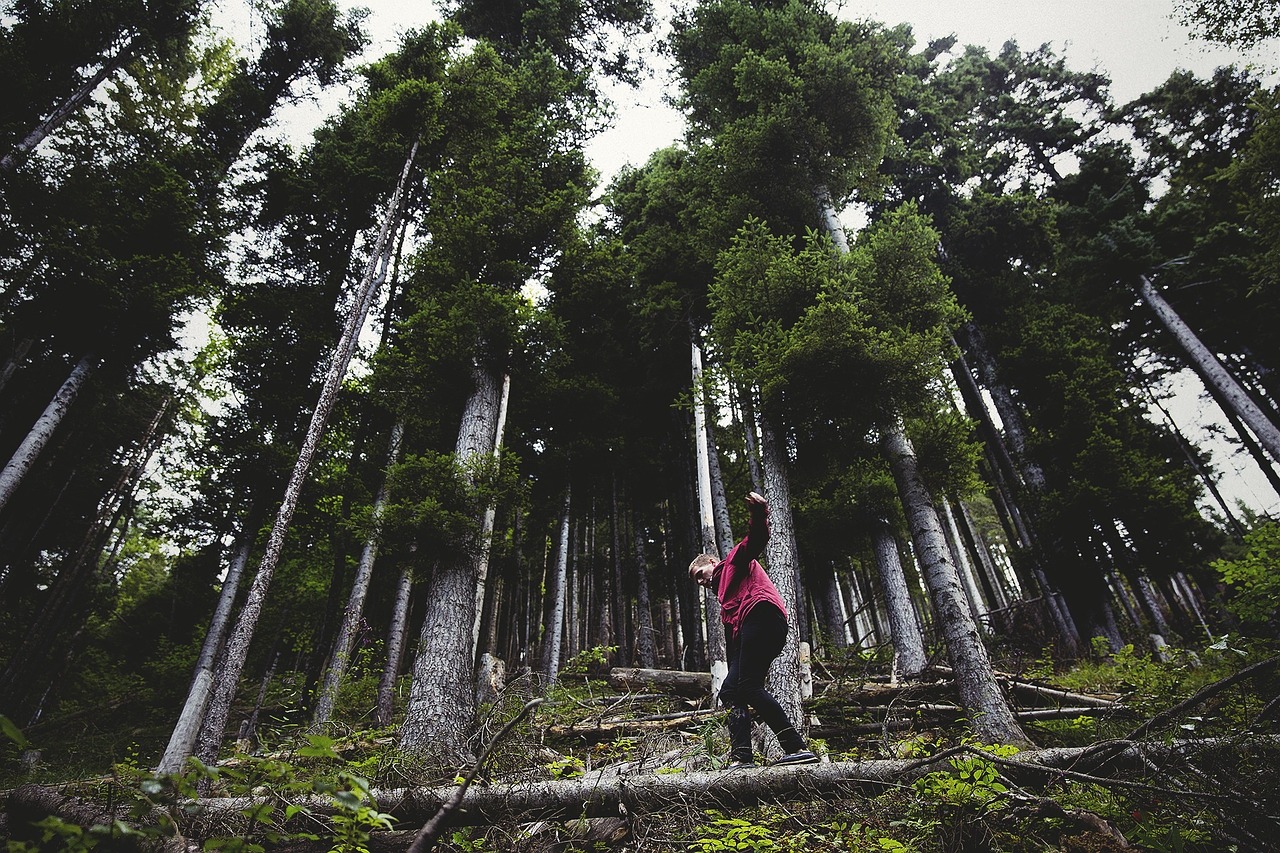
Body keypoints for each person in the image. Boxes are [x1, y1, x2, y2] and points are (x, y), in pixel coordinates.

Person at [689, 491, 818, 768]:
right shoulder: (725, 602)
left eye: (701, 574)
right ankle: (742, 758)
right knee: (731, 691)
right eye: (696, 581)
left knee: (748, 686)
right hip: (756, 628)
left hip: (763, 616)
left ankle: (796, 748)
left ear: (712, 563)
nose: (701, 582)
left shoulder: (732, 565)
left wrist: (759, 513)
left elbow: (755, 541)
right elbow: (735, 648)